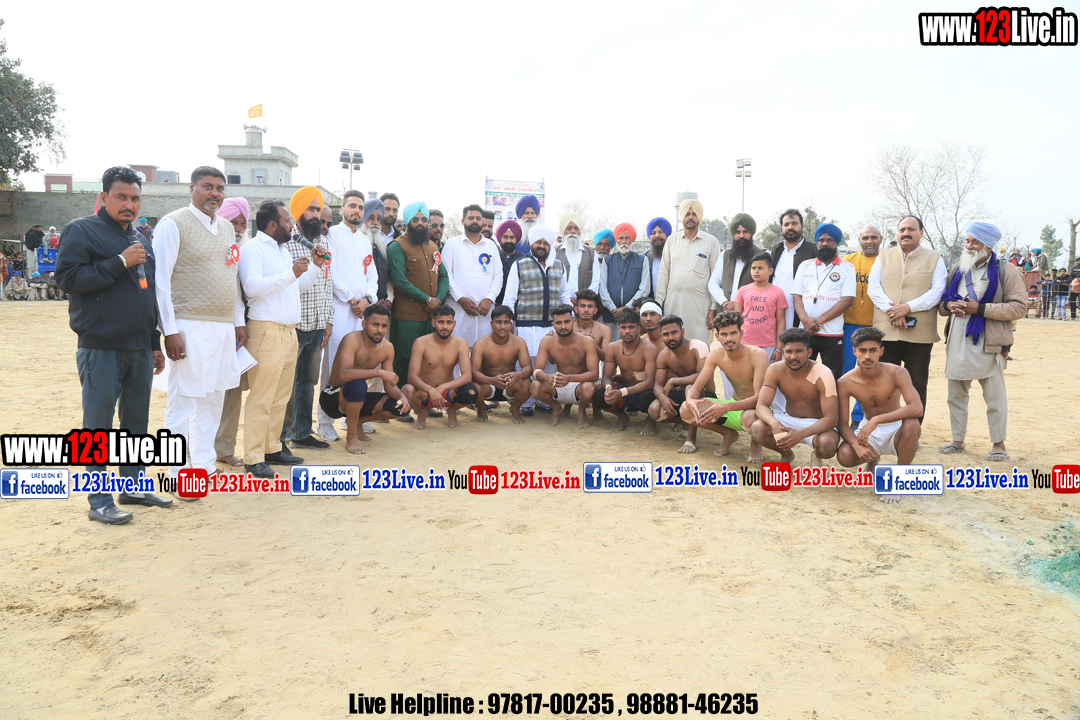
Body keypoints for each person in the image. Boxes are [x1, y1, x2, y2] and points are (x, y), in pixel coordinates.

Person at [55, 165, 171, 524]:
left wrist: (153, 342)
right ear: (103, 197)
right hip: (100, 346)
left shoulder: (141, 240)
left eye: (135, 198)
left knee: (136, 424)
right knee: (98, 429)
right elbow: (68, 279)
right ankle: (99, 501)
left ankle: (133, 487)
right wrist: (119, 262)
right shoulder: (81, 230)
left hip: (139, 348)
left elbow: (147, 294)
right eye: (121, 196)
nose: (129, 204)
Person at [154, 166, 246, 491]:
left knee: (214, 398)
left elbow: (231, 278)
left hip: (222, 328)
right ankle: (176, 471)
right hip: (187, 325)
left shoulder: (226, 228)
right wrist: (169, 330)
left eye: (220, 188)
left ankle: (204, 465)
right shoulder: (173, 223)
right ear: (191, 187)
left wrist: (238, 322)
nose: (215, 193)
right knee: (183, 400)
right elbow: (161, 282)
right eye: (207, 186)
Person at [238, 199, 326, 478]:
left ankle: (272, 448)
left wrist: (314, 267)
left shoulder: (282, 249)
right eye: (287, 221)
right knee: (262, 397)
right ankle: (253, 457)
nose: (291, 226)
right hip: (266, 331)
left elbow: (294, 287)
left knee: (280, 396)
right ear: (273, 224)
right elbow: (251, 288)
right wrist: (291, 273)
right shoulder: (253, 248)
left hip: (289, 332)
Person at [938, 223, 1027, 462]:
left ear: (988, 245)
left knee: (994, 398)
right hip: (957, 341)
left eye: (975, 242)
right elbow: (942, 304)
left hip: (990, 342)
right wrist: (951, 305)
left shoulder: (1006, 270)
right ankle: (957, 440)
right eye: (968, 241)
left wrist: (980, 309)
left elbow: (1019, 307)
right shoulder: (959, 267)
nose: (969, 246)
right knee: (955, 396)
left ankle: (999, 443)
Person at [867, 215, 947, 422]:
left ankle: (913, 430)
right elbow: (873, 288)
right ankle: (885, 429)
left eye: (911, 229)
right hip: (886, 332)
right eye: (902, 229)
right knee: (884, 383)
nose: (906, 233)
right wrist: (893, 311)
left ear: (921, 233)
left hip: (920, 334)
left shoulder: (935, 258)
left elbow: (937, 292)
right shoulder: (883, 256)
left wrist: (908, 308)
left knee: (917, 383)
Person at [318, 190, 378, 441]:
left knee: (359, 364)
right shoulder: (332, 235)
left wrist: (367, 299)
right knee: (334, 364)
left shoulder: (364, 240)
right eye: (352, 206)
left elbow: (372, 275)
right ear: (342, 210)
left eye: (360, 207)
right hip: (339, 310)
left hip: (361, 312)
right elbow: (329, 270)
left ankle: (350, 416)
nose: (357, 211)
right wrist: (351, 298)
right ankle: (324, 421)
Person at [836, 327, 923, 498]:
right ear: (854, 352)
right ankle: (872, 460)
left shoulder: (897, 372)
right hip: (869, 431)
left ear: (881, 351)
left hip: (896, 428)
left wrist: (876, 420)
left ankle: (899, 481)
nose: (867, 356)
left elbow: (917, 408)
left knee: (912, 424)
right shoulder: (845, 382)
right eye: (862, 351)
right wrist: (856, 446)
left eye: (873, 350)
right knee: (845, 456)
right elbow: (842, 423)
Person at [281, 190, 335, 450]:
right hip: (294, 323)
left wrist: (328, 319)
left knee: (309, 382)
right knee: (286, 384)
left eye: (318, 210)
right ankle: (281, 437)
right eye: (311, 209)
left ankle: (302, 433)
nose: (316, 215)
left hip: (317, 324)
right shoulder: (286, 241)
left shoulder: (323, 241)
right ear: (298, 211)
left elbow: (327, 282)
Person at [502, 224, 571, 416]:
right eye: (538, 242)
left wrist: (569, 319)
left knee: (550, 365)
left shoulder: (558, 265)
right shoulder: (519, 264)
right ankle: (526, 401)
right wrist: (509, 323)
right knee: (525, 364)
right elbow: (510, 297)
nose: (541, 246)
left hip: (552, 327)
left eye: (545, 243)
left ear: (550, 246)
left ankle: (543, 399)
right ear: (532, 244)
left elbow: (564, 295)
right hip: (525, 326)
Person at [323, 304, 412, 453]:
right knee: (358, 385)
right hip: (333, 398)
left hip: (358, 397)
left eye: (384, 326)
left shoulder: (387, 347)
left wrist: (402, 397)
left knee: (401, 406)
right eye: (375, 325)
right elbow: (343, 375)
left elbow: (389, 386)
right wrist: (379, 372)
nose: (380, 330)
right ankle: (351, 438)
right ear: (364, 324)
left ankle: (358, 421)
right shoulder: (352, 339)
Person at [679, 311, 768, 459]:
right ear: (717, 336)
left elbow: (760, 399)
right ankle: (728, 434)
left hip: (756, 409)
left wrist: (726, 407)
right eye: (724, 334)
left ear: (741, 333)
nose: (729, 339)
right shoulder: (716, 354)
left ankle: (756, 443)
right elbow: (696, 387)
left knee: (749, 417)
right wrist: (690, 401)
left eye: (733, 333)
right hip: (733, 406)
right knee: (685, 409)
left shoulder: (757, 354)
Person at [750, 327, 840, 465]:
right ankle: (786, 453)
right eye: (789, 352)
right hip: (788, 418)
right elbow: (761, 405)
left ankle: (817, 456)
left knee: (828, 445)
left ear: (809, 352)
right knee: (757, 429)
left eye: (799, 351)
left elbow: (831, 419)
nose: (793, 357)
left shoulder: (823, 374)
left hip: (817, 424)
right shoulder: (775, 369)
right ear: (783, 352)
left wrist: (801, 434)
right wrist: (774, 423)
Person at [388, 202, 449, 386]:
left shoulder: (433, 247)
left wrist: (437, 299)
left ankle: (425, 398)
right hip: (408, 316)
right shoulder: (396, 246)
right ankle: (401, 399)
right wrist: (427, 299)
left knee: (429, 359)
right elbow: (400, 281)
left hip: (431, 315)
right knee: (405, 359)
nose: (420, 223)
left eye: (424, 219)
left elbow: (443, 276)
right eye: (416, 219)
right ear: (408, 221)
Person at [790, 223, 855, 380]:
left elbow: (847, 300)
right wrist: (805, 320)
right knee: (801, 375)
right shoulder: (805, 265)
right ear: (817, 242)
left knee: (831, 377)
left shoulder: (847, 268)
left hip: (832, 332)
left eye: (830, 240)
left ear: (836, 243)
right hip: (805, 331)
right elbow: (796, 296)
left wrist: (819, 322)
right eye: (821, 240)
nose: (825, 243)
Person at [656, 199, 720, 343]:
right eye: (687, 214)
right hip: (673, 305)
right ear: (682, 217)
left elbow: (716, 277)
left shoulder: (711, 241)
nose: (690, 217)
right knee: (673, 344)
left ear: (700, 217)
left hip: (700, 308)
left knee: (699, 347)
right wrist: (659, 305)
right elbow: (663, 274)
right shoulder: (671, 241)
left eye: (694, 214)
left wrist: (713, 308)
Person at [408, 305, 479, 429]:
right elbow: (412, 376)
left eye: (449, 322)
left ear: (454, 324)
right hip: (425, 393)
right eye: (441, 322)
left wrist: (443, 387)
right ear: (434, 323)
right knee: (407, 390)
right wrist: (430, 390)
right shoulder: (421, 342)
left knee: (472, 392)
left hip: (447, 394)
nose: (445, 327)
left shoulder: (461, 344)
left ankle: (452, 410)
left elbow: (467, 376)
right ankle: (422, 412)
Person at [443, 204, 504, 346]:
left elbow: (498, 276)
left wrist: (489, 299)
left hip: (485, 311)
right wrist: (460, 298)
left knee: (484, 350)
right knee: (457, 350)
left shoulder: (491, 246)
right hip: (458, 309)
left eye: (478, 218)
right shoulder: (451, 245)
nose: (475, 221)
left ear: (482, 221)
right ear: (463, 221)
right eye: (471, 218)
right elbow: (446, 275)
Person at [530, 303, 599, 427]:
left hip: (579, 385)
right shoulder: (547, 341)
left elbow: (594, 375)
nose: (563, 326)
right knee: (535, 386)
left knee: (589, 388)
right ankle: (556, 407)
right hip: (559, 384)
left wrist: (569, 378)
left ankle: (582, 410)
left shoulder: (586, 341)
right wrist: (547, 377)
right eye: (558, 323)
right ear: (553, 325)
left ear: (573, 321)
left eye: (567, 322)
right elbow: (536, 371)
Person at [841, 224, 882, 428]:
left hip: (875, 327)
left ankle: (858, 419)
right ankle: (838, 417)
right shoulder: (847, 262)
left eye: (874, 237)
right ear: (859, 240)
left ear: (881, 239)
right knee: (844, 374)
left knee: (868, 374)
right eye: (865, 237)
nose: (869, 241)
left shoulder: (886, 262)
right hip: (848, 325)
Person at [646, 314, 712, 440]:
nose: (671, 337)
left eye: (674, 332)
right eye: (666, 334)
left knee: (690, 388)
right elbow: (658, 384)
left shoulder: (698, 347)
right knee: (654, 410)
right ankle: (685, 421)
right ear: (661, 336)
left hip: (705, 396)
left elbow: (704, 376)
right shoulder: (663, 355)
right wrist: (663, 398)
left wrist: (673, 381)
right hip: (683, 396)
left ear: (682, 332)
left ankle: (691, 437)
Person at [595, 309, 659, 430]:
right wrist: (608, 388)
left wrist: (622, 392)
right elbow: (607, 377)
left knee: (647, 397)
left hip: (644, 392)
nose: (627, 331)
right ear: (618, 329)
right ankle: (622, 416)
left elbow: (650, 383)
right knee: (599, 395)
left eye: (631, 327)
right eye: (623, 327)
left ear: (638, 329)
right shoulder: (613, 347)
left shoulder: (649, 349)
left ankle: (651, 419)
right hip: (625, 391)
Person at [472, 305, 533, 423]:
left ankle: (515, 408)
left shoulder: (519, 342)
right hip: (487, 385)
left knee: (527, 383)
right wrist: (491, 380)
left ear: (511, 324)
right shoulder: (481, 344)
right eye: (498, 322)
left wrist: (518, 375)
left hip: (510, 385)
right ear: (492, 324)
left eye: (506, 322)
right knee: (473, 386)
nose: (502, 326)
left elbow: (527, 368)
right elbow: (473, 372)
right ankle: (480, 406)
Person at [769, 209, 817, 330]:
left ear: (802, 227)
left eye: (794, 223)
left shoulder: (813, 250)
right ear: (782, 228)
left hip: (800, 311)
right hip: (774, 309)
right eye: (786, 224)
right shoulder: (777, 249)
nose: (790, 227)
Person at [732, 252, 786, 360]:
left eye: (761, 268)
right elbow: (736, 318)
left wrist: (779, 349)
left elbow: (781, 321)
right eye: (753, 268)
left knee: (765, 370)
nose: (756, 271)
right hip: (744, 342)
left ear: (770, 271)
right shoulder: (743, 290)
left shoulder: (778, 292)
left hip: (768, 344)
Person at [599, 223, 650, 327]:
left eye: (627, 238)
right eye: (621, 238)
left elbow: (644, 289)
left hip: (633, 314)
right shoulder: (607, 260)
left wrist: (627, 307)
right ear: (616, 240)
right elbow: (602, 288)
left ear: (632, 240)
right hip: (612, 315)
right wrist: (613, 308)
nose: (624, 242)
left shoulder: (642, 260)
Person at [708, 213, 761, 311]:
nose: (741, 236)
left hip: (751, 313)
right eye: (738, 232)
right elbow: (713, 283)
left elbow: (765, 286)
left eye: (745, 232)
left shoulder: (762, 255)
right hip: (726, 313)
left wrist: (739, 304)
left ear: (751, 233)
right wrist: (724, 302)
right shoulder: (724, 255)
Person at [555, 211, 600, 299]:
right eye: (569, 228)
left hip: (585, 303)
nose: (573, 231)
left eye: (576, 228)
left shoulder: (592, 253)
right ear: (563, 231)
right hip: (560, 303)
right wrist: (566, 298)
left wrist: (583, 299)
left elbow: (596, 280)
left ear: (580, 231)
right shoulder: (554, 252)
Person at [494, 219, 525, 306]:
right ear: (500, 238)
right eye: (505, 237)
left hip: (519, 306)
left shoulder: (523, 259)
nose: (508, 241)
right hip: (495, 306)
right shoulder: (493, 257)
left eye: (512, 237)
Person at [644, 217, 670, 298]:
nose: (657, 235)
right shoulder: (643, 259)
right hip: (650, 304)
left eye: (661, 232)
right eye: (653, 233)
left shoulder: (675, 257)